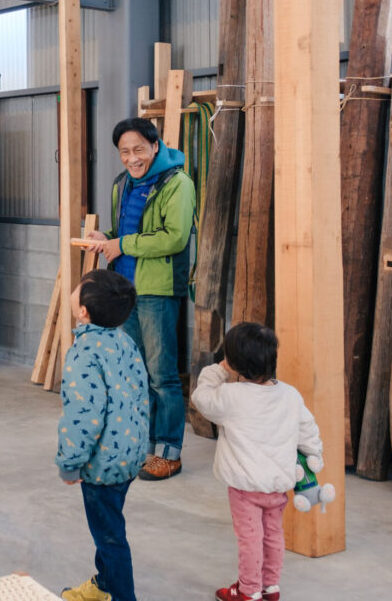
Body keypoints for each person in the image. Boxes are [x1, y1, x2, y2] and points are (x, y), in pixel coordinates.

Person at [86, 116, 195, 481]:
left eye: (138, 150)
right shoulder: (123, 184)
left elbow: (174, 238)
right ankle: (144, 447)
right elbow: (126, 232)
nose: (132, 158)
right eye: (124, 151)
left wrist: (123, 244)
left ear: (155, 146)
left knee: (162, 376)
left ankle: (169, 453)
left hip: (158, 291)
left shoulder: (177, 183)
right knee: (136, 374)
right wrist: (107, 238)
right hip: (126, 290)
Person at [190, 322, 325, 601]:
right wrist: (314, 457)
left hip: (245, 489)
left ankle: (249, 591)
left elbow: (201, 398)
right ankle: (270, 587)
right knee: (273, 535)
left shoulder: (231, 396)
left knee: (250, 539)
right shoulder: (290, 395)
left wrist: (219, 369)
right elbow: (308, 431)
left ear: (234, 363)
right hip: (278, 486)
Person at [56, 269, 151, 601]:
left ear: (83, 310)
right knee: (110, 524)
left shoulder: (83, 353)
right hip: (130, 455)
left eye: (78, 288)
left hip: (102, 466)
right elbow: (141, 395)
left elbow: (83, 415)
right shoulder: (125, 341)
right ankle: (103, 585)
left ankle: (122, 595)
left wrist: (70, 462)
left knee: (110, 538)